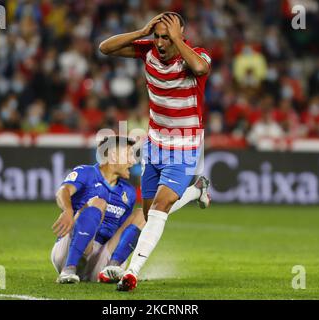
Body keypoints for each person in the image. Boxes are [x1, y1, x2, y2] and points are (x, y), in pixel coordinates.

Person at [99, 12, 211, 291]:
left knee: (161, 207)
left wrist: (176, 39)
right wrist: (141, 31)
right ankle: (197, 190)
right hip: (155, 145)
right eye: (157, 36)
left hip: (185, 145)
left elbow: (199, 69)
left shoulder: (197, 55)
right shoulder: (147, 50)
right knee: (149, 215)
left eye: (166, 37)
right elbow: (105, 48)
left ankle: (130, 272)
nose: (160, 43)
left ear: (180, 34)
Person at [50, 135, 210, 283]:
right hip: (68, 251)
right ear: (113, 156)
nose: (133, 161)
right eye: (128, 154)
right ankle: (68, 270)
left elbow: (137, 224)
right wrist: (68, 211)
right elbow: (63, 191)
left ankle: (112, 267)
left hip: (98, 260)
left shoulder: (128, 192)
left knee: (142, 214)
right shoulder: (86, 172)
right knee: (99, 203)